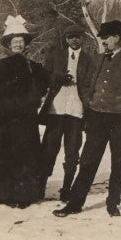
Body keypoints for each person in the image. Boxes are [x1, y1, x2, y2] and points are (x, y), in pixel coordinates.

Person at [54, 20, 121, 218]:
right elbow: (88, 86)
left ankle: (112, 204)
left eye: (106, 38)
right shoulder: (97, 60)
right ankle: (74, 204)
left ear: (116, 37)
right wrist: (88, 105)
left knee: (118, 162)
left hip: (120, 120)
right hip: (97, 118)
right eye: (102, 38)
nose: (103, 41)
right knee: (88, 162)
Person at [0, 15, 51, 207]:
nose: (18, 44)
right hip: (4, 120)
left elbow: (44, 86)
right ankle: (1, 195)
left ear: (25, 44)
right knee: (4, 155)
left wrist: (32, 98)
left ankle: (23, 196)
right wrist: (9, 91)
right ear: (8, 44)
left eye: (21, 41)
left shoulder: (34, 67)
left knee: (25, 156)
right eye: (15, 41)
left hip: (25, 120)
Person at [38, 23, 89, 202]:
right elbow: (43, 76)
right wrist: (57, 77)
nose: (74, 39)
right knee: (49, 149)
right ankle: (40, 186)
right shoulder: (55, 56)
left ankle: (66, 188)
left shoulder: (89, 60)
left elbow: (91, 84)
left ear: (83, 38)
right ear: (66, 39)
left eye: (77, 36)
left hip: (76, 110)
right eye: (70, 36)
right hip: (56, 109)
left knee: (73, 151)